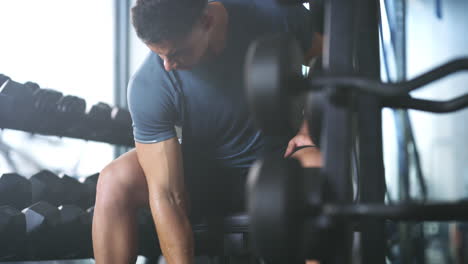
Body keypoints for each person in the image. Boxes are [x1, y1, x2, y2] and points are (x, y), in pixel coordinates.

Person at [92, 0, 322, 263]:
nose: (168, 64)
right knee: (114, 179)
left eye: (177, 53)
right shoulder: (150, 83)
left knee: (319, 169)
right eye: (159, 54)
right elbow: (168, 195)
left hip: (279, 165)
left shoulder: (271, 16)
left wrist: (310, 124)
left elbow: (327, 55)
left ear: (207, 21)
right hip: (204, 179)